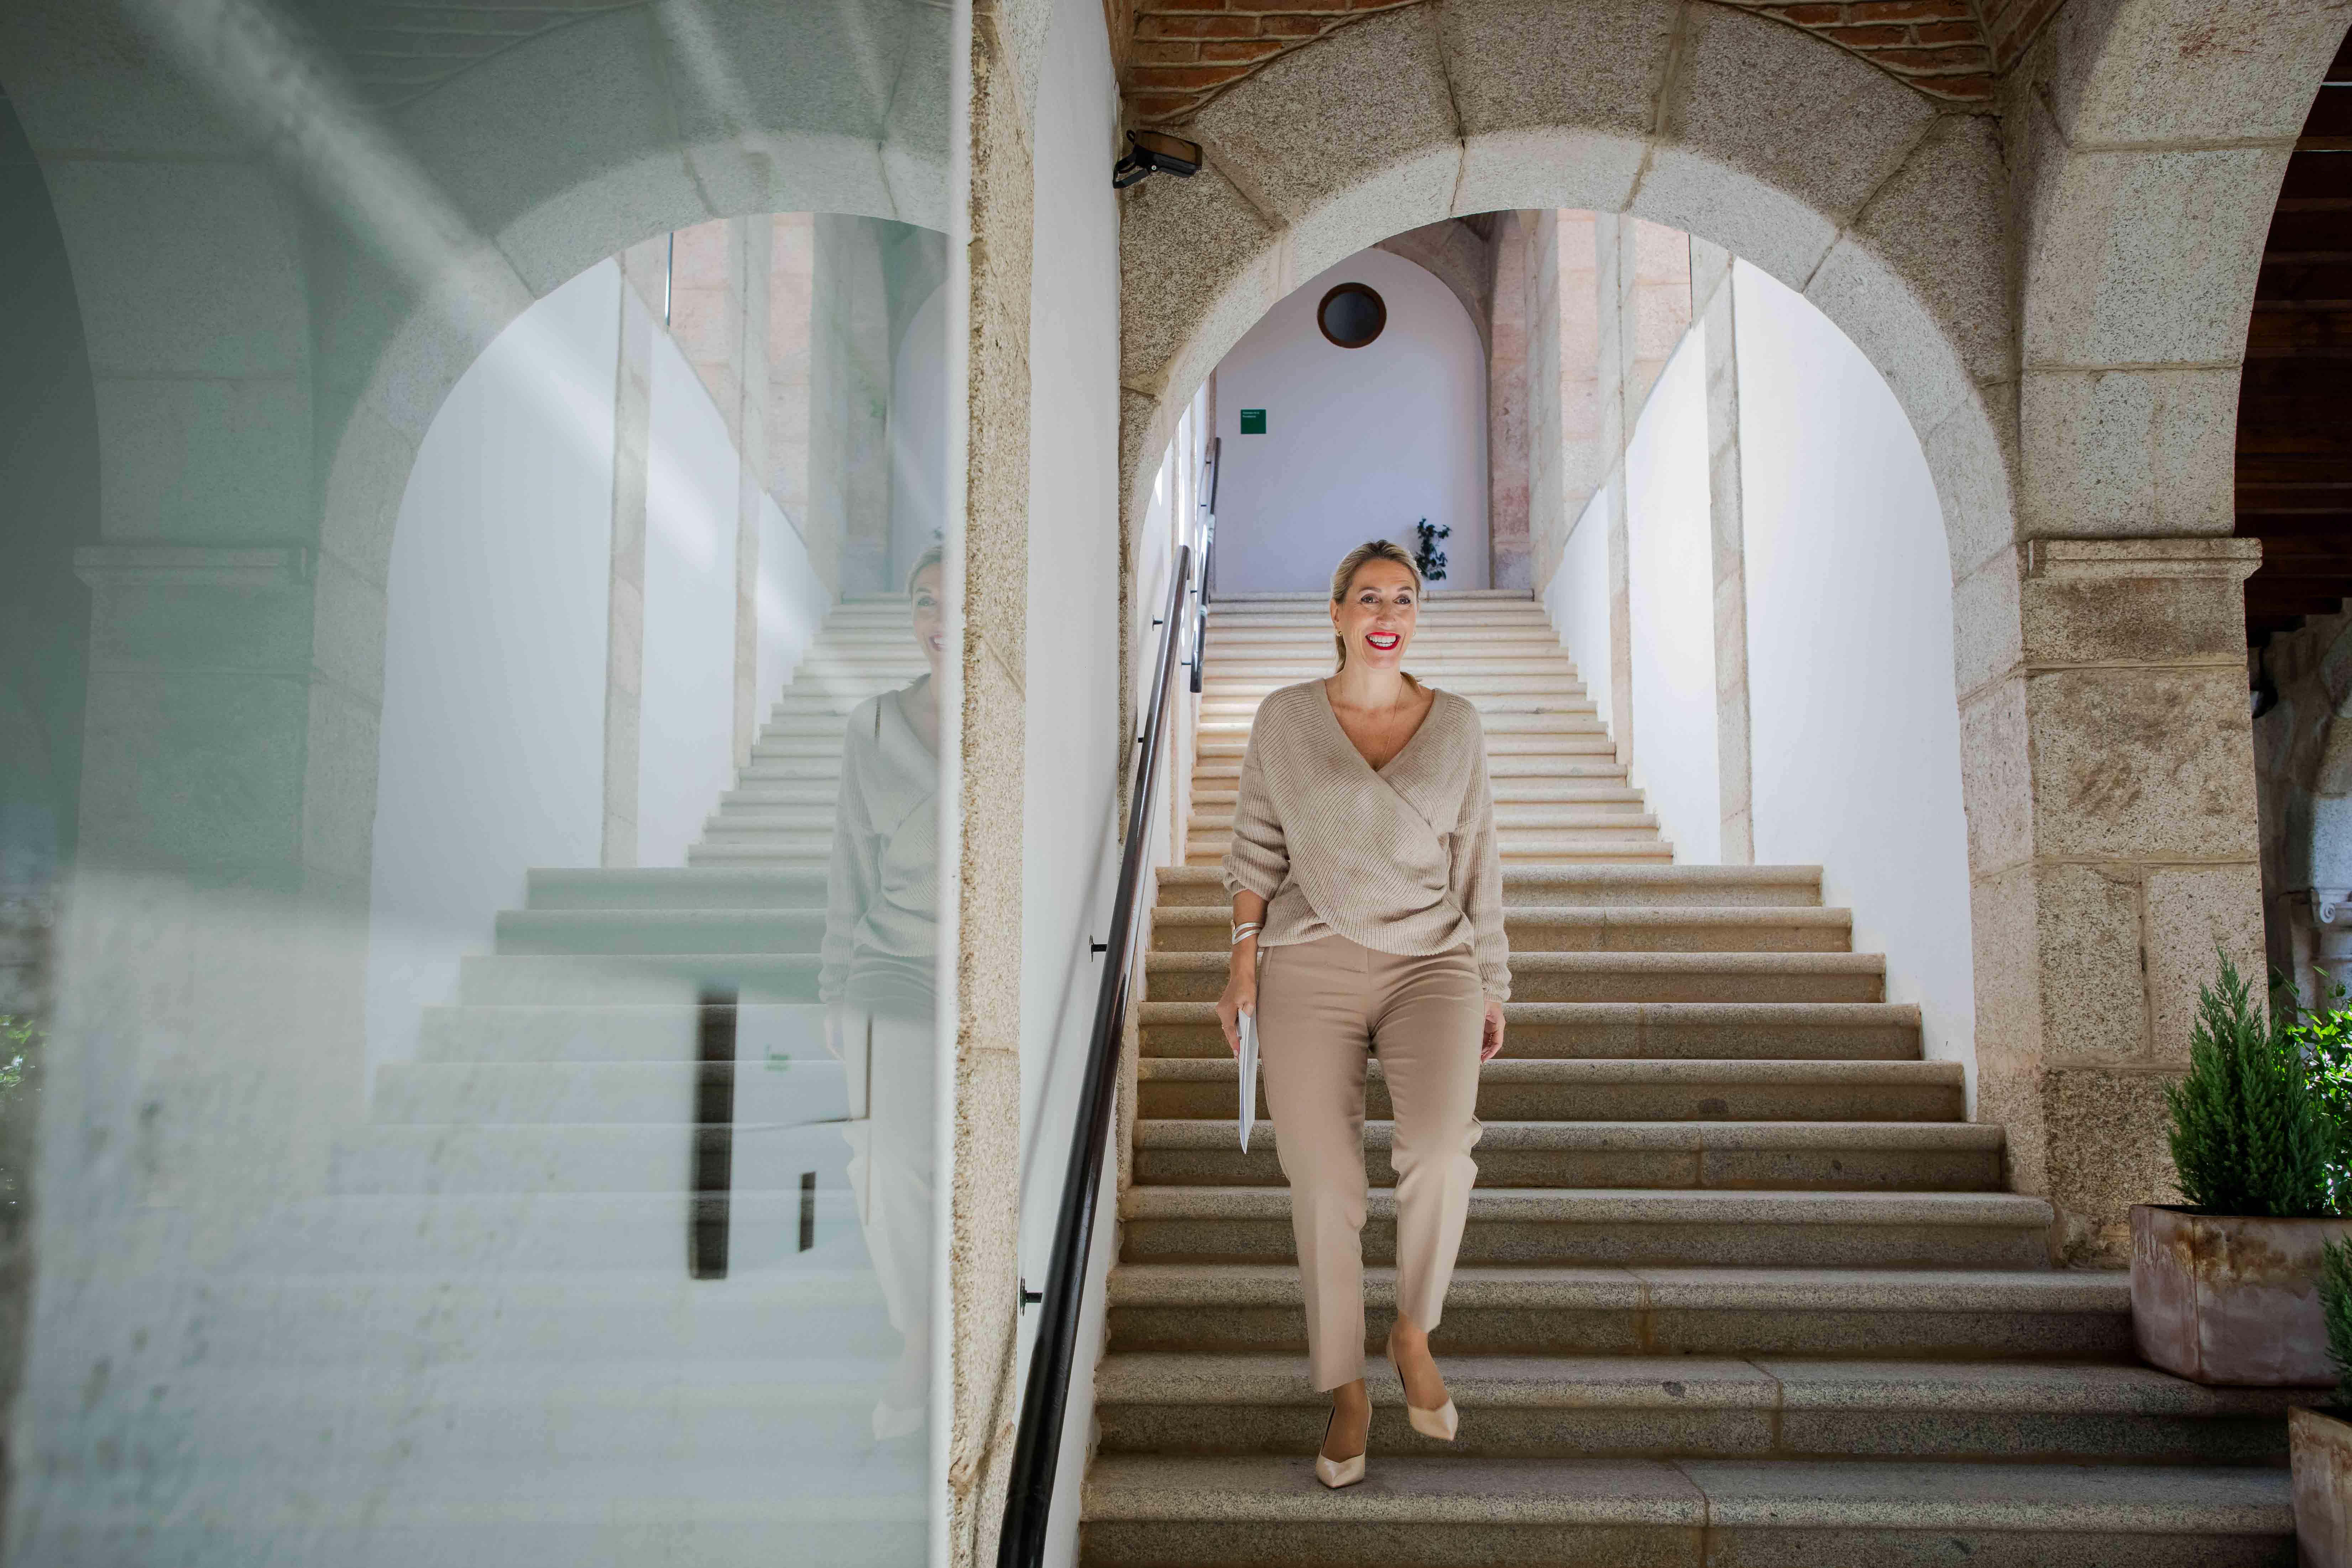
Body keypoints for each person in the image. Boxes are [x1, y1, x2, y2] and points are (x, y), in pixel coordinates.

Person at [1213, 538, 1509, 1489]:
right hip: (1309, 953)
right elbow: (1255, 846)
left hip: (1434, 960)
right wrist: (1239, 964)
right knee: (1323, 1179)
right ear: (1336, 612)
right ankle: (1345, 1386)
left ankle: (1411, 1329)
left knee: (1436, 1149)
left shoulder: (1455, 724)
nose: (1388, 611)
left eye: (1405, 597)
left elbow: (1479, 864)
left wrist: (1492, 979)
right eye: (1369, 596)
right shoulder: (1287, 720)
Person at [821, 544, 945, 1442]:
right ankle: (919, 1335)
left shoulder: (1011, 717)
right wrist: (835, 988)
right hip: (890, 967)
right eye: (923, 600)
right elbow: (848, 869)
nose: (939, 616)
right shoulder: (871, 726)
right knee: (885, 1156)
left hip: (989, 971)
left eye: (955, 600)